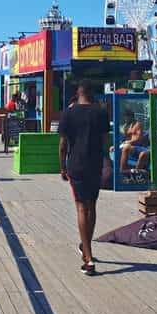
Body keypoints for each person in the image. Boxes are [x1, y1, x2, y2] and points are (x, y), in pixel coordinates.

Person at [58, 80, 110, 276]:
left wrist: (62, 167)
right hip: (94, 164)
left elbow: (63, 145)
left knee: (81, 207)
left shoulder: (68, 114)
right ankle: (85, 246)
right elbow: (105, 141)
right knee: (92, 206)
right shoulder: (101, 112)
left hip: (76, 165)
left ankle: (88, 259)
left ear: (78, 92)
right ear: (92, 93)